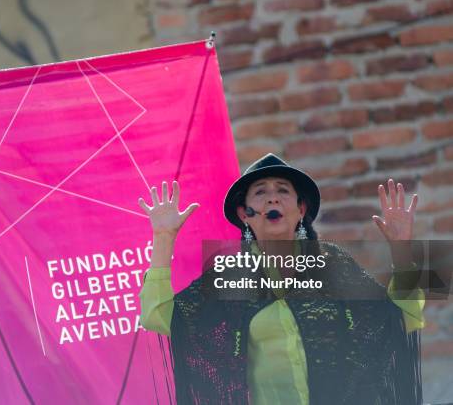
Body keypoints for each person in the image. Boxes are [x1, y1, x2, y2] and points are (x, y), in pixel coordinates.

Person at [138, 153, 424, 405]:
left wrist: (402, 249)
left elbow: (404, 317)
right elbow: (158, 316)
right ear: (244, 214)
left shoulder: (331, 264)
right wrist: (163, 239)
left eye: (283, 190)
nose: (273, 197)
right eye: (260, 192)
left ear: (300, 210)